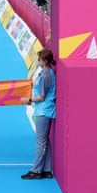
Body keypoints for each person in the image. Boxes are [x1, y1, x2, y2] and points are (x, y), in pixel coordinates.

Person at [20, 49, 56, 180]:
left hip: (44, 111)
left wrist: (28, 100)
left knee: (40, 141)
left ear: (45, 62)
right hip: (44, 110)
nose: (38, 61)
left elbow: (41, 96)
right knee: (45, 139)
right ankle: (47, 169)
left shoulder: (47, 75)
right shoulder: (46, 72)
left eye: (40, 59)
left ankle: (36, 170)